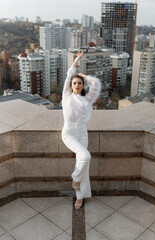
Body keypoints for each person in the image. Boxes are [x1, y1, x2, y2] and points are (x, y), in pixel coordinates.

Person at [61, 51, 101, 209]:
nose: (76, 85)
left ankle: (80, 196)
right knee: (85, 156)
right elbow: (70, 72)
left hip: (82, 132)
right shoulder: (66, 96)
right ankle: (75, 180)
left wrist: (83, 75)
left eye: (79, 83)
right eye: (74, 83)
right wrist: (78, 59)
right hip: (69, 131)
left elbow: (96, 84)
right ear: (70, 86)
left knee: (83, 164)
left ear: (83, 85)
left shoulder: (87, 99)